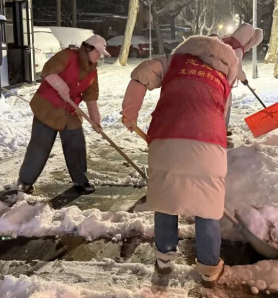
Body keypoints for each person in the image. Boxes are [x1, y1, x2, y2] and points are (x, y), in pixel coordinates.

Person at [121, 35, 239, 288]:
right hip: (210, 142)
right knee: (208, 209)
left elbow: (141, 75)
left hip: (166, 138)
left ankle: (164, 258)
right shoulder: (222, 80)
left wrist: (130, 114)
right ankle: (209, 269)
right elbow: (223, 118)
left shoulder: (173, 63)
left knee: (167, 201)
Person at [17, 35, 110, 195]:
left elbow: (91, 96)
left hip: (69, 112)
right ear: (88, 48)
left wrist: (95, 119)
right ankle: (25, 182)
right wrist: (61, 86)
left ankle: (81, 181)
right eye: (98, 52)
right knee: (40, 146)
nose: (99, 56)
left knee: (76, 145)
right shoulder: (68, 55)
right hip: (48, 108)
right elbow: (48, 70)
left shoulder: (92, 71)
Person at [222, 24, 263, 136]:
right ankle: (222, 131)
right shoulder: (237, 48)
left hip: (217, 77)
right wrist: (244, 79)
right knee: (226, 104)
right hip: (224, 81)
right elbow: (237, 70)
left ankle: (221, 129)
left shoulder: (226, 40)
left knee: (223, 104)